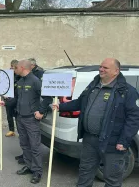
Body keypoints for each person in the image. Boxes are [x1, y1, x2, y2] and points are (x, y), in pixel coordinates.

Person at [53, 58, 139, 187]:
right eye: (101, 66)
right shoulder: (93, 85)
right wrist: (61, 106)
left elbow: (134, 118)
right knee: (85, 172)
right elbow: (80, 102)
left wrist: (124, 141)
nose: (101, 69)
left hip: (113, 142)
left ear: (116, 71)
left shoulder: (127, 91)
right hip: (90, 139)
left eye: (105, 67)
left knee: (112, 176)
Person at [0, 60, 52, 184]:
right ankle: (29, 166)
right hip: (20, 117)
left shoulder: (35, 81)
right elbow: (15, 99)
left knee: (34, 146)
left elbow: (48, 97)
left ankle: (37, 172)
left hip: (31, 119)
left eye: (15, 67)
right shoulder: (20, 81)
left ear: (22, 67)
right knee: (24, 144)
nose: (14, 69)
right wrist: (5, 103)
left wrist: (41, 111)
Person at [5, 59, 20, 137]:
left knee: (18, 116)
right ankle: (11, 130)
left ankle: (20, 132)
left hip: (17, 99)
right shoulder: (8, 74)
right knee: (9, 115)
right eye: (11, 67)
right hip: (9, 99)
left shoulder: (19, 76)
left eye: (13, 67)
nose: (11, 68)